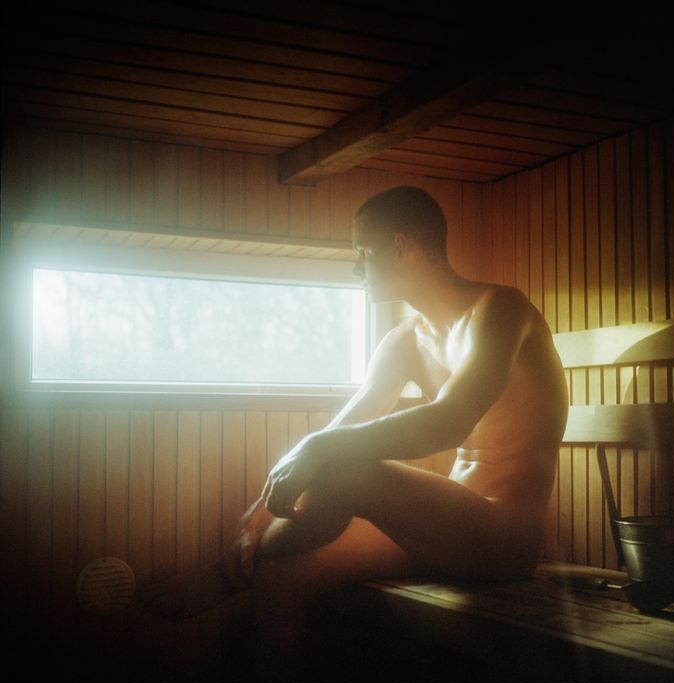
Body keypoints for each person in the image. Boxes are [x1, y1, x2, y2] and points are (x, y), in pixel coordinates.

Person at [144, 184, 568, 623]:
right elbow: (340, 430)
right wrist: (266, 506)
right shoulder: (405, 340)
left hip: (505, 539)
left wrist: (320, 451)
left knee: (347, 468)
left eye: (362, 252)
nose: (354, 268)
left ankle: (227, 576)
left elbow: (449, 423)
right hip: (444, 526)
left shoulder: (499, 309)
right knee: (282, 576)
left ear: (400, 247)